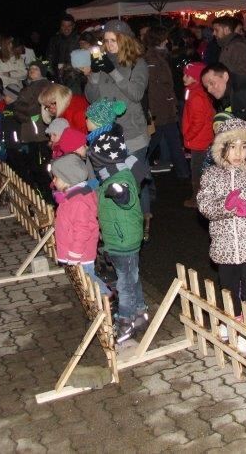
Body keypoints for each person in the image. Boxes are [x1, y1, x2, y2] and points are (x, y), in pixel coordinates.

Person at [196, 118, 246, 353]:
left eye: (243, 147)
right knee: (228, 287)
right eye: (232, 146)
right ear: (221, 149)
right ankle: (230, 321)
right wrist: (226, 205)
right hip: (224, 245)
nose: (238, 153)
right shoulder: (211, 175)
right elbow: (204, 205)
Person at [85, 101, 149, 342]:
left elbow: (126, 198)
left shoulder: (120, 176)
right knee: (131, 277)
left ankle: (125, 322)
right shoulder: (109, 175)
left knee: (125, 282)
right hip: (118, 236)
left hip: (124, 238)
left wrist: (117, 191)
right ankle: (140, 311)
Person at [85, 19, 152, 217]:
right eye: (106, 41)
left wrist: (113, 71)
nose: (109, 45)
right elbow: (92, 97)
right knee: (113, 183)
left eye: (113, 40)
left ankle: (142, 219)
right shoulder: (103, 61)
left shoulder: (137, 63)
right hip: (107, 136)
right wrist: (96, 74)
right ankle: (119, 222)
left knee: (134, 179)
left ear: (125, 41)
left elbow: (136, 93)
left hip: (132, 133)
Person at [51, 153, 109, 295]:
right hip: (76, 250)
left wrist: (75, 253)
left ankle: (106, 297)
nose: (53, 181)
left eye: (56, 177)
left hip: (80, 252)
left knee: (88, 279)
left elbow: (82, 230)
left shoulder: (78, 201)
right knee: (86, 279)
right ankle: (105, 297)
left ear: (68, 179)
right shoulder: (71, 197)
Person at [143, 26, 189, 178]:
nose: (168, 40)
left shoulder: (161, 56)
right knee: (154, 141)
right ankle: (138, 169)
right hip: (160, 108)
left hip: (166, 107)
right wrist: (156, 110)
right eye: (165, 38)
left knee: (172, 141)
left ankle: (184, 174)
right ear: (161, 39)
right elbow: (153, 88)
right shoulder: (152, 59)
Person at [182, 61, 215, 209]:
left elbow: (198, 121)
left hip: (199, 140)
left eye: (188, 76)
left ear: (196, 78)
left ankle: (198, 199)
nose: (184, 78)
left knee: (197, 171)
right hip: (200, 139)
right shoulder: (193, 91)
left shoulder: (197, 96)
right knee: (200, 169)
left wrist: (188, 135)